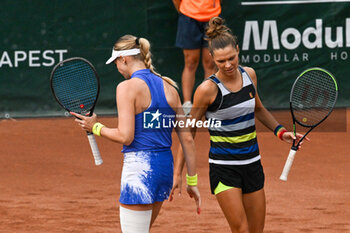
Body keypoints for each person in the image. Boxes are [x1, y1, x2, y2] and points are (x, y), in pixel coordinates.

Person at [175, 17, 309, 233]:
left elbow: (258, 109)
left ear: (238, 50)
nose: (227, 64)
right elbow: (188, 133)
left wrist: (281, 132)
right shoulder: (207, 90)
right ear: (211, 58)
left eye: (231, 58)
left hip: (252, 165)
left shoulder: (250, 76)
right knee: (241, 230)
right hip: (224, 169)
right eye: (220, 61)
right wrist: (178, 174)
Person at [71, 35, 200, 233]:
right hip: (164, 170)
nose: (117, 67)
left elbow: (125, 136)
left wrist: (95, 127)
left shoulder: (126, 87)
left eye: (116, 62)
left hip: (140, 171)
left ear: (124, 59)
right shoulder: (170, 88)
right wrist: (191, 180)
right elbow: (188, 139)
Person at [172, 0, 221, 115]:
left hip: (213, 17)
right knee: (190, 62)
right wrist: (185, 10)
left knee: (210, 62)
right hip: (188, 16)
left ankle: (208, 102)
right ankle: (187, 103)